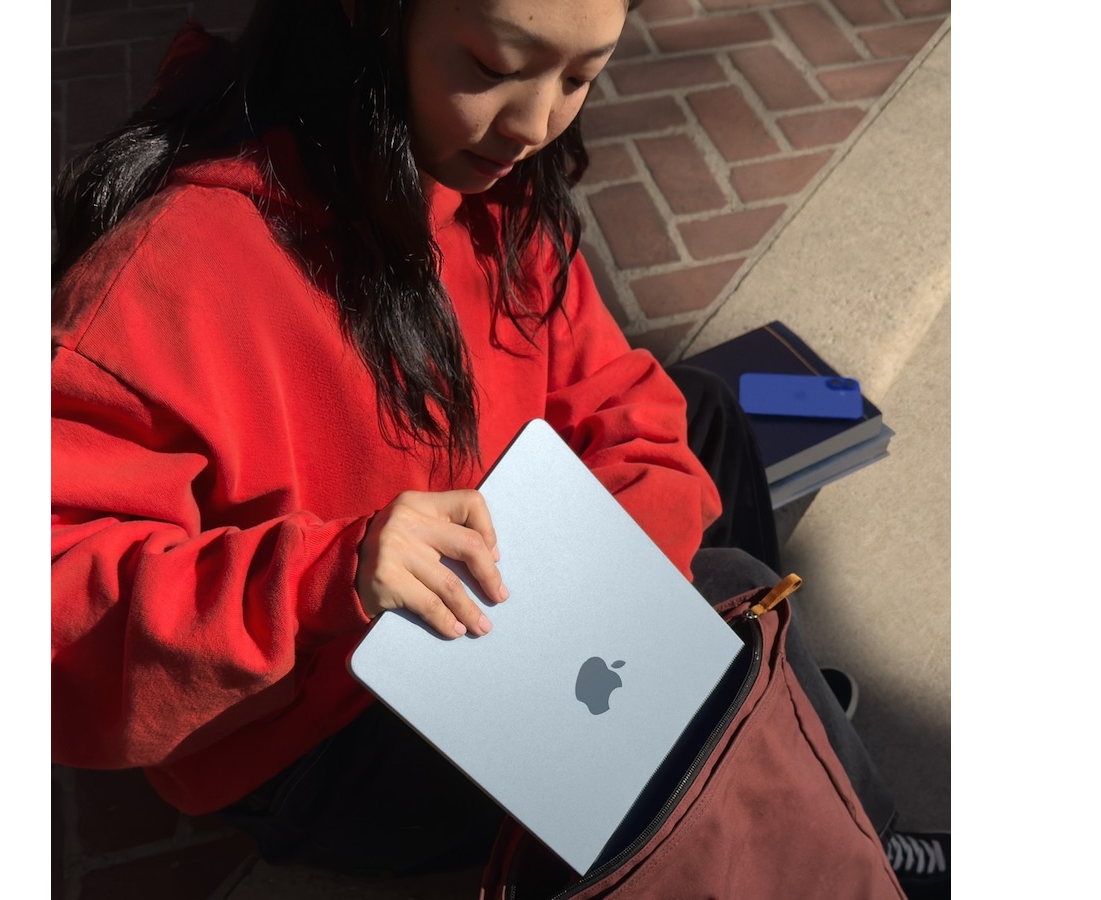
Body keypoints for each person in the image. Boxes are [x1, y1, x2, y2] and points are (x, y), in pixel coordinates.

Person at [50, 0, 948, 895]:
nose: (535, 122)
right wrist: (326, 575)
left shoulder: (494, 185)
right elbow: (58, 610)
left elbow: (619, 396)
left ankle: (756, 734)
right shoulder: (169, 274)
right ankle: (805, 796)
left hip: (488, 595)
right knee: (724, 592)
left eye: (581, 76)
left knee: (705, 421)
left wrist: (620, 603)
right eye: (493, 66)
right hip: (318, 719)